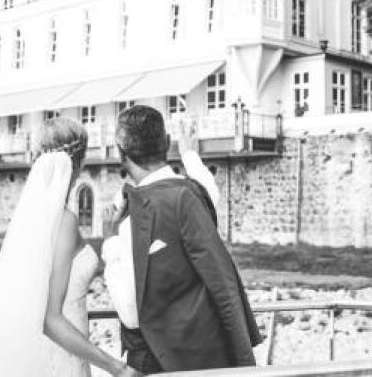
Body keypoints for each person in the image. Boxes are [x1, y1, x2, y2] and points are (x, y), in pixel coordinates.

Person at [103, 106, 262, 375]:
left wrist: (110, 241)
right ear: (166, 143)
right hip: (211, 357)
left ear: (121, 153)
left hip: (160, 363)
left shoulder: (130, 217)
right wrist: (189, 154)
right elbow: (209, 186)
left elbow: (131, 314)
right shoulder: (195, 194)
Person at [0, 117, 130, 377]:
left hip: (49, 348)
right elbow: (50, 319)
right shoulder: (64, 220)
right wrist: (117, 367)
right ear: (77, 163)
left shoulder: (31, 216)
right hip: (62, 354)